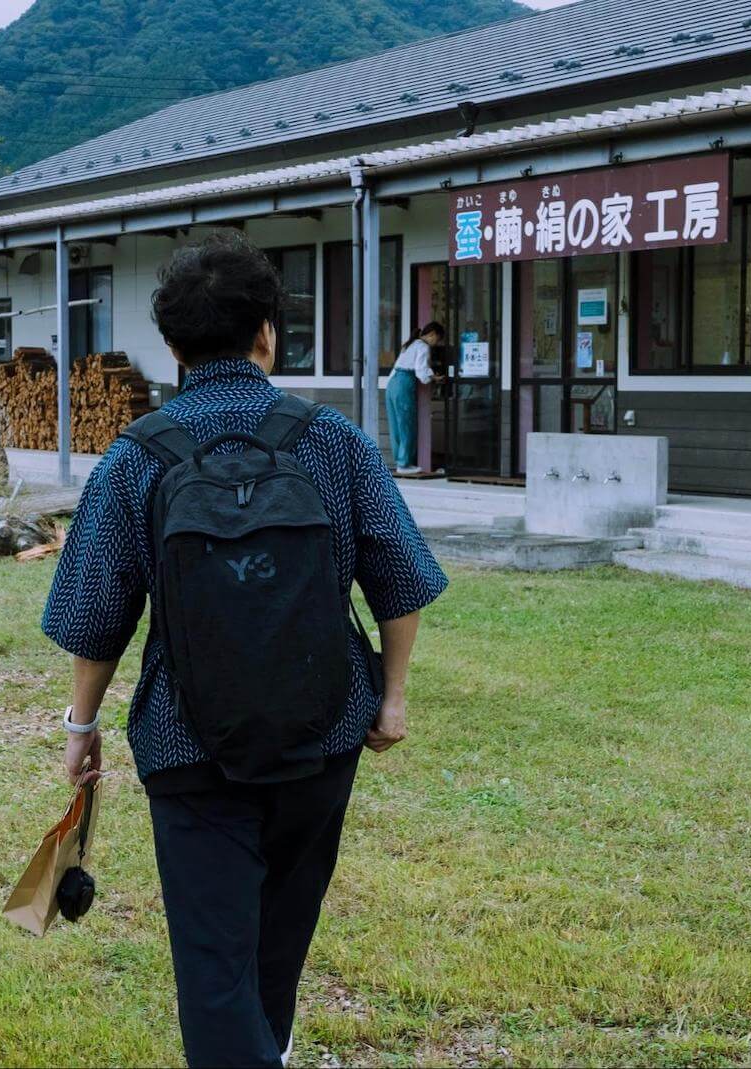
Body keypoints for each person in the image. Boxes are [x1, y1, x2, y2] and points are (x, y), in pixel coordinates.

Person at [41, 232, 447, 1068]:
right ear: (268, 333)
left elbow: (94, 612)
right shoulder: (332, 441)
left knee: (213, 962)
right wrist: (393, 697)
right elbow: (401, 579)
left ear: (173, 345)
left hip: (188, 748)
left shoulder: (136, 455)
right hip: (323, 736)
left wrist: (80, 726)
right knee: (279, 942)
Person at [384, 321, 444, 475]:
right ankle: (404, 464)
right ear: (433, 335)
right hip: (404, 383)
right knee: (407, 424)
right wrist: (434, 378)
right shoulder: (423, 346)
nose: (436, 344)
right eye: (437, 340)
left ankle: (399, 461)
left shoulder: (409, 344)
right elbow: (421, 372)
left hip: (392, 383)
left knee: (395, 425)